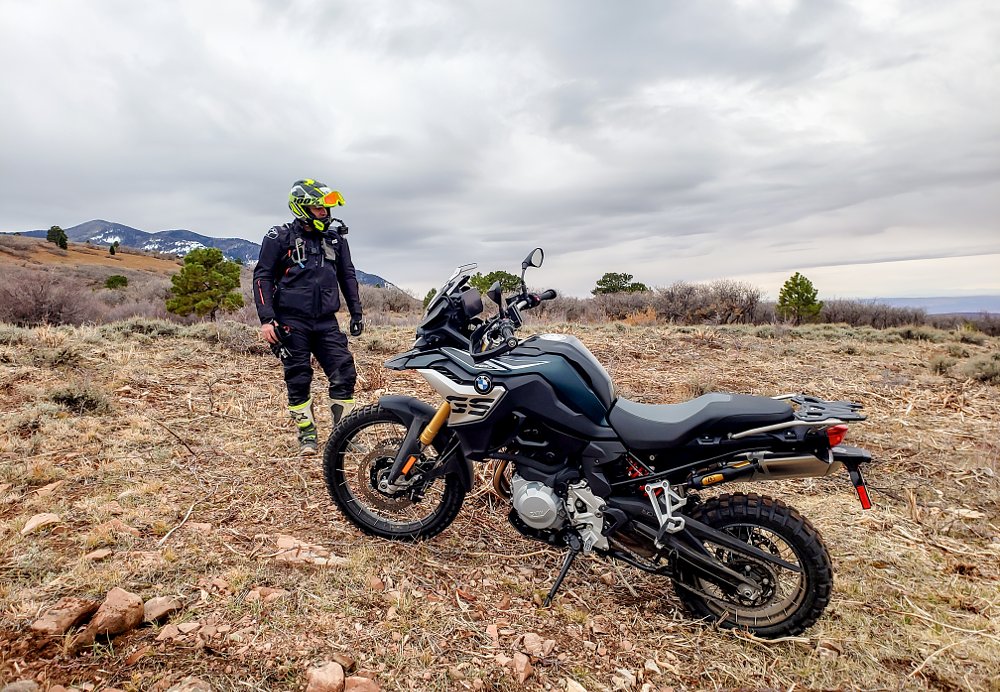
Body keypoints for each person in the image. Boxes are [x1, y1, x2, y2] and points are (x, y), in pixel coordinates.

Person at [253, 179, 364, 455]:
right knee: (298, 378)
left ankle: (344, 436)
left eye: (327, 209)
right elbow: (262, 277)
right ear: (302, 208)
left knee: (344, 373)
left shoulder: (336, 239)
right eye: (318, 209)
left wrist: (356, 312)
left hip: (326, 321)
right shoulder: (279, 237)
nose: (324, 214)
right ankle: (307, 434)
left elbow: (347, 276)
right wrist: (267, 320)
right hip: (291, 322)